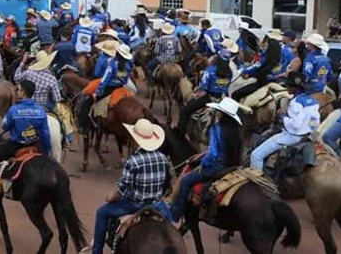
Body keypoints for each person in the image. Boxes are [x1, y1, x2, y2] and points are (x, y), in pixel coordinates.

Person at [86, 119, 171, 254]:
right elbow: (167, 184)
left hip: (135, 204)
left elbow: (122, 189)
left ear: (134, 138)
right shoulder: (162, 157)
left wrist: (111, 197)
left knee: (102, 213)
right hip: (157, 204)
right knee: (170, 228)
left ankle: (97, 250)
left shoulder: (133, 161)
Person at [0, 80, 51, 205]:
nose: (16, 92)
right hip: (35, 145)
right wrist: (47, 150)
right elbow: (45, 133)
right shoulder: (41, 110)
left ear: (24, 93)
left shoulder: (14, 110)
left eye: (18, 90)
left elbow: (5, 126)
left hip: (16, 145)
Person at [170, 97, 243, 221]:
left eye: (218, 111)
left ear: (223, 113)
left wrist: (203, 164)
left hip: (217, 166)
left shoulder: (217, 128)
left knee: (185, 181)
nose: (217, 113)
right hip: (235, 165)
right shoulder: (236, 129)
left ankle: (175, 213)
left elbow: (213, 154)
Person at [250, 72, 320, 170]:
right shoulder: (313, 101)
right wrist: (307, 130)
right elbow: (315, 123)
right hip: (307, 137)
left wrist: (282, 117)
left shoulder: (295, 103)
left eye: (288, 85)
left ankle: (258, 182)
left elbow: (295, 125)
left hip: (291, 137)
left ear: (295, 87)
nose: (286, 87)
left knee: (256, 156)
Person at [176, 49, 232, 134]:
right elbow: (227, 85)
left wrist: (196, 91)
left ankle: (179, 133)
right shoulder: (230, 72)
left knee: (186, 110)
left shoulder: (210, 70)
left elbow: (203, 87)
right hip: (221, 98)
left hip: (209, 98)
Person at [231, 32, 283, 102]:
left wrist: (243, 71)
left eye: (266, 46)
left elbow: (256, 66)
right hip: (276, 81)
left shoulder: (266, 58)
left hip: (263, 83)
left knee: (235, 94)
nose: (265, 47)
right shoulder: (279, 59)